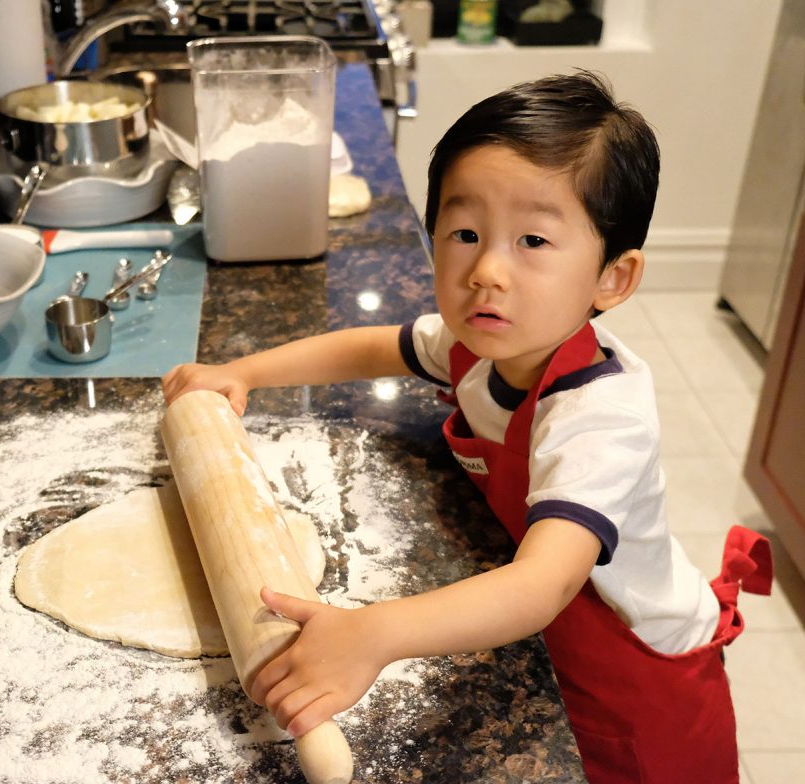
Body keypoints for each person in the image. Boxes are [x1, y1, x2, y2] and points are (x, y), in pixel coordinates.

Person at [162, 71, 772, 783]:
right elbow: (379, 344)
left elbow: (540, 586)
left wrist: (374, 632)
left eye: (533, 240)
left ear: (613, 278)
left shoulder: (602, 418)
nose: (487, 271)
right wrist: (242, 373)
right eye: (465, 232)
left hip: (643, 683)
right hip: (556, 650)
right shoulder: (480, 347)